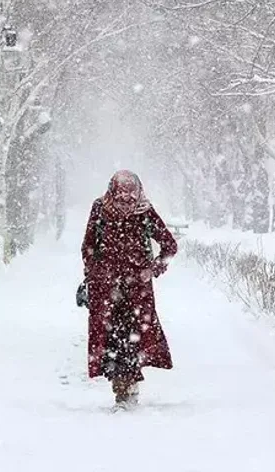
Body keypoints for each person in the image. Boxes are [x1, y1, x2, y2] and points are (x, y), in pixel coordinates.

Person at [81, 170, 178, 408]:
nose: (125, 198)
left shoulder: (144, 212)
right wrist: (94, 272)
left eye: (129, 193)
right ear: (112, 190)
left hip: (135, 292)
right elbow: (89, 246)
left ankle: (127, 389)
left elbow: (169, 245)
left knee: (130, 339)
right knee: (114, 339)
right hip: (109, 290)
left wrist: (154, 269)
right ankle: (122, 389)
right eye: (121, 192)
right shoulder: (100, 209)